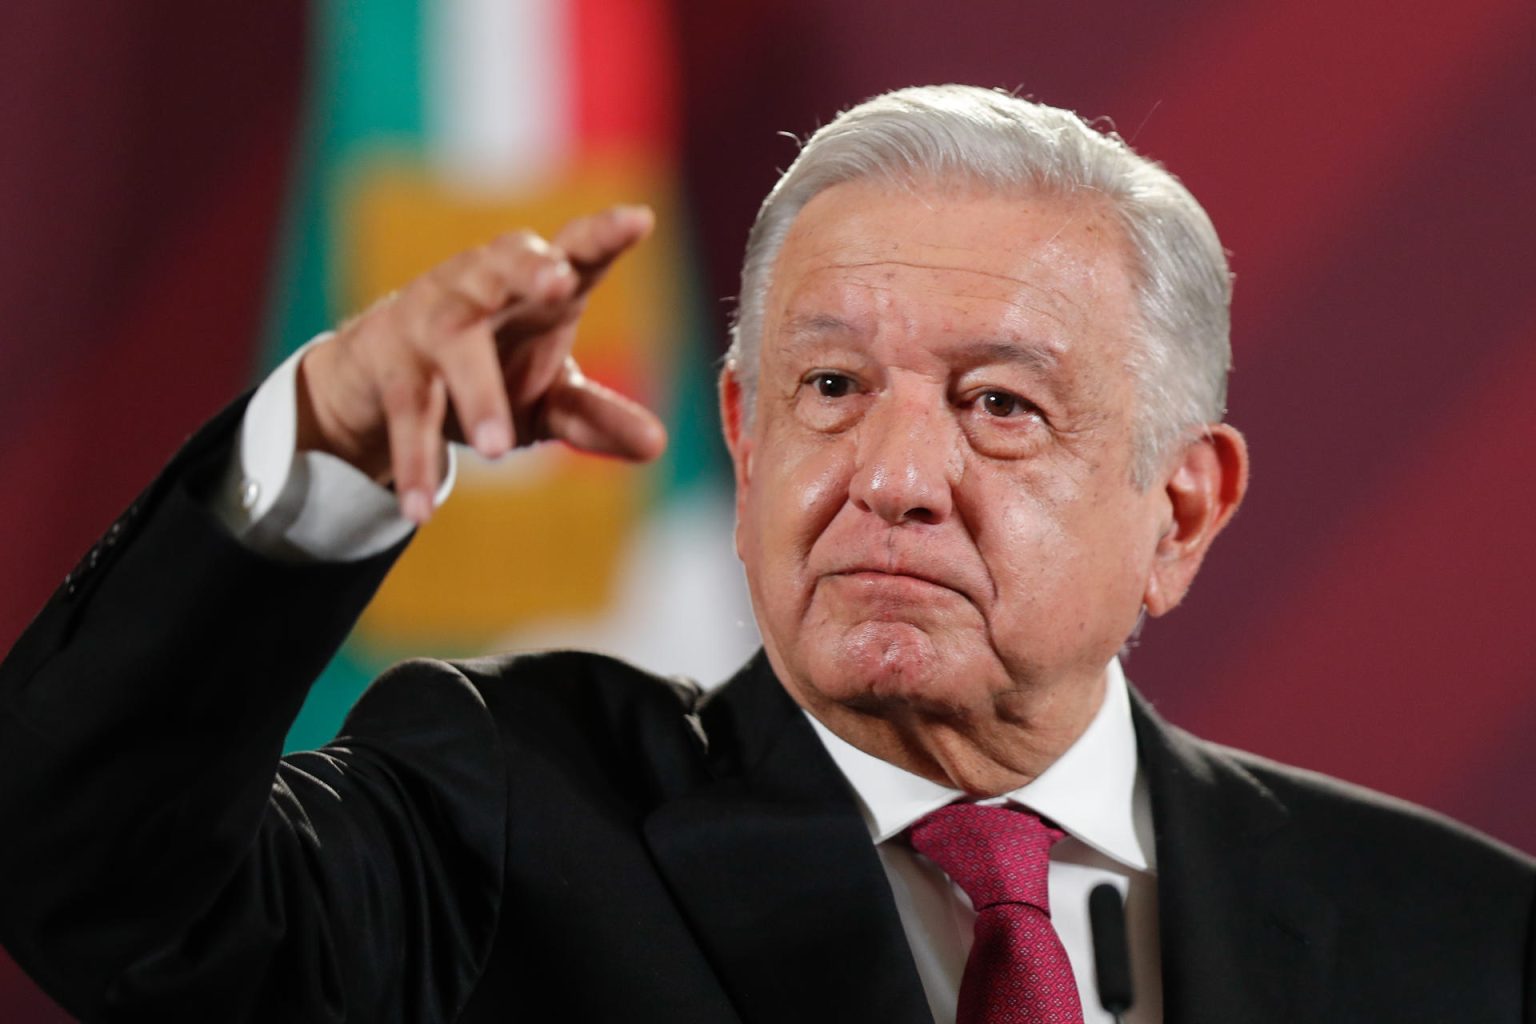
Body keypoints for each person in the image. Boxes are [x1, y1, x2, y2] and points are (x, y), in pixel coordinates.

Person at [0, 85, 1531, 1024]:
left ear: (1182, 509)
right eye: (831, 388)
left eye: (1000, 405)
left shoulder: (1463, 940)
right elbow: (85, 877)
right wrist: (322, 451)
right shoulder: (498, 826)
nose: (893, 477)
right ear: (742, 432)